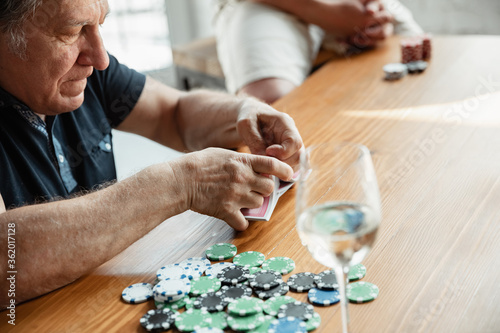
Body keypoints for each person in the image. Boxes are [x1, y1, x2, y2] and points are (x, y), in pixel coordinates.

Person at [0, 0, 304, 307]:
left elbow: (171, 113)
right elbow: (5, 264)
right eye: (72, 30)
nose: (100, 58)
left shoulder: (82, 72)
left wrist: (243, 111)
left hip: (101, 299)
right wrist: (179, 184)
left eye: (99, 26)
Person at [214, 0, 424, 103]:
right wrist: (323, 12)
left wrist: (371, 17)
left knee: (420, 46)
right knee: (272, 101)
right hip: (264, 3)